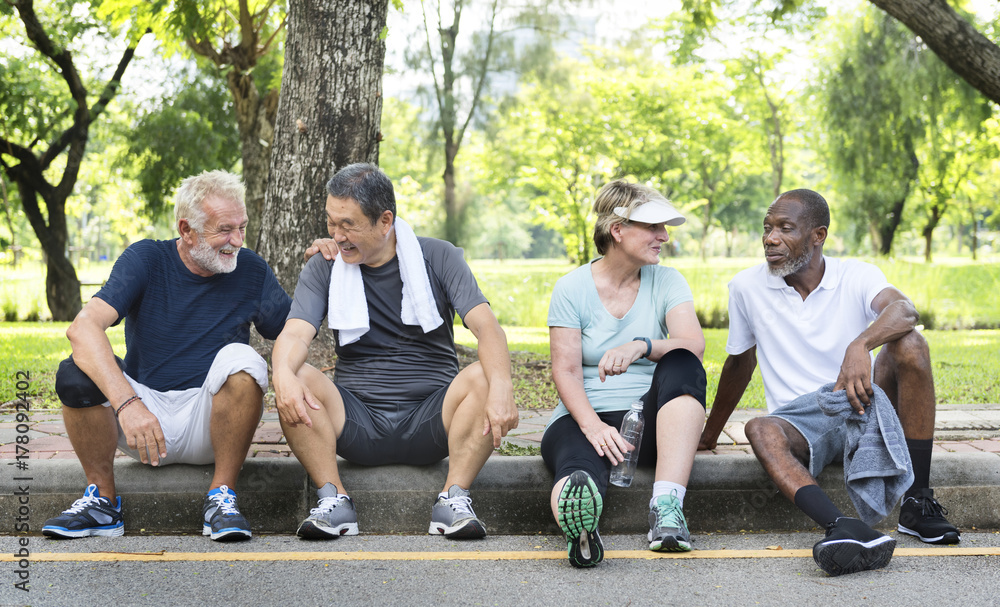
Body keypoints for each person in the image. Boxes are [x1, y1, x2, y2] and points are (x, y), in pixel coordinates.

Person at [699, 188, 960, 576]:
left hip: (862, 401)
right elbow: (740, 363)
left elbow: (904, 309)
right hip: (801, 422)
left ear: (817, 235)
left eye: (785, 228)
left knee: (911, 344)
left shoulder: (856, 274)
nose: (770, 238)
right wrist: (709, 435)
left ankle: (917, 502)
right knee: (758, 427)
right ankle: (844, 528)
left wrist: (861, 344)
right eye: (767, 228)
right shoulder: (745, 287)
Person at [271, 162, 518, 540]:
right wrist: (282, 376)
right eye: (330, 223)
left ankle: (453, 499)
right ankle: (333, 500)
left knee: (486, 375)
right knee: (296, 375)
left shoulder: (438, 257)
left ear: (385, 221)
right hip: (356, 422)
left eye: (348, 224)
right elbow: (295, 335)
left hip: (432, 420)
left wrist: (502, 385)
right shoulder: (326, 268)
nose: (336, 235)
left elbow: (487, 326)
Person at [42, 171, 291, 542]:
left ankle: (221, 497)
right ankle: (103, 504)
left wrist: (329, 264)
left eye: (242, 227)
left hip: (211, 421)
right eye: (225, 230)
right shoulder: (147, 258)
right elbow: (83, 328)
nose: (237, 241)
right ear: (187, 230)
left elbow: (293, 331)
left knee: (244, 358)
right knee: (76, 370)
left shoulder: (250, 269)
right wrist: (128, 404)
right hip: (143, 418)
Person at [542, 179, 707, 568]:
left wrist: (642, 345)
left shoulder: (667, 280)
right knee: (576, 472)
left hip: (651, 425)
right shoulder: (571, 289)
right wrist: (593, 427)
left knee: (682, 360)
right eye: (653, 227)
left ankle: (666, 508)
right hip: (585, 416)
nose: (663, 237)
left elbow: (693, 343)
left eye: (664, 228)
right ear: (618, 230)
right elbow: (565, 370)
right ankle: (580, 530)